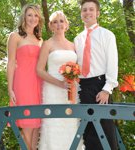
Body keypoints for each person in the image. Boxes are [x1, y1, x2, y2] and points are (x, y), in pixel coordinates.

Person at [74, 0, 118, 150]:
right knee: (88, 130)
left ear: (97, 13)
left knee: (105, 129)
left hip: (101, 85)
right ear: (81, 14)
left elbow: (112, 63)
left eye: (91, 9)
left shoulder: (107, 35)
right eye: (84, 10)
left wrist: (107, 89)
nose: (87, 12)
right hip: (83, 86)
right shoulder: (77, 39)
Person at [37, 11, 84, 150]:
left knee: (70, 122)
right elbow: (39, 70)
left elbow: (79, 69)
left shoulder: (73, 45)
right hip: (53, 89)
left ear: (66, 25)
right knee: (54, 122)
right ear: (50, 26)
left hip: (71, 90)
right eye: (55, 22)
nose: (59, 24)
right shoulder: (47, 44)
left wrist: (73, 81)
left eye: (61, 21)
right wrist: (59, 84)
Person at [7, 4, 43, 150]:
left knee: (36, 126)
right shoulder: (15, 36)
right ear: (24, 17)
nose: (32, 18)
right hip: (23, 83)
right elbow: (10, 63)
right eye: (29, 15)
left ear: (39, 18)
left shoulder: (40, 40)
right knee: (27, 124)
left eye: (35, 15)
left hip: (39, 84)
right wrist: (10, 89)